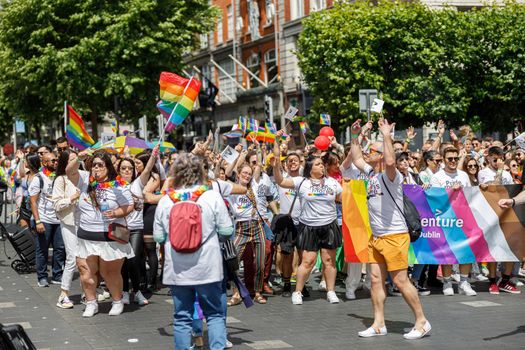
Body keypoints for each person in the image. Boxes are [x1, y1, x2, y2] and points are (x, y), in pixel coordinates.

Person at [351, 118, 430, 340]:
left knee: (400, 281)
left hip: (395, 236)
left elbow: (391, 161)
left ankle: (422, 321)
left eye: (373, 150)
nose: (369, 153)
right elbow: (356, 157)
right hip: (376, 237)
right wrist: (356, 134)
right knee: (375, 280)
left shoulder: (391, 176)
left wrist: (386, 135)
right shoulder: (371, 175)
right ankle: (378, 324)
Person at [154, 153, 233, 350]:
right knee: (214, 314)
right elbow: (227, 230)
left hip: (178, 269)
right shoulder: (211, 196)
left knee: (182, 317)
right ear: (200, 172)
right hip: (208, 267)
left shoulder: (166, 201)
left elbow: (158, 238)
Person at [274, 130, 343, 306]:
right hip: (309, 227)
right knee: (308, 261)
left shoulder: (332, 183)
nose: (322, 166)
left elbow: (344, 199)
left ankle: (331, 291)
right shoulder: (301, 182)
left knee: (329, 261)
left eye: (322, 164)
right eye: (318, 164)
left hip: (329, 226)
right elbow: (281, 181)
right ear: (310, 168)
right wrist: (275, 165)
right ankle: (297, 291)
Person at [68, 152, 135, 317]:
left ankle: (117, 300)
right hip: (86, 236)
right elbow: (69, 171)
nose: (96, 168)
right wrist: (78, 157)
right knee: (86, 273)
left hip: (109, 237)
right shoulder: (84, 180)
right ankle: (91, 303)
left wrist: (116, 213)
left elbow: (129, 205)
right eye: (94, 165)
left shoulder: (118, 185)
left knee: (109, 273)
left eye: (100, 165)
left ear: (108, 168)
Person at [430, 147, 477, 297]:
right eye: (450, 158)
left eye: (456, 159)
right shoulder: (437, 177)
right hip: (445, 219)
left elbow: (471, 196)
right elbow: (434, 198)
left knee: (465, 250)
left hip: (463, 218)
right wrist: (451, 190)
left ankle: (464, 282)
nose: (453, 161)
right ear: (443, 160)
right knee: (446, 252)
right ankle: (447, 282)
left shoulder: (463, 175)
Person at [478, 146, 521, 295]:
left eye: (500, 159)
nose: (497, 162)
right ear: (488, 157)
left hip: (507, 214)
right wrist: (501, 171)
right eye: (494, 159)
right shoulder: (483, 172)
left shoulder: (508, 174)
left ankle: (505, 280)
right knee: (493, 248)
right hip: (490, 215)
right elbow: (493, 188)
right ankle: (492, 280)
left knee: (511, 247)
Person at [29, 152, 66, 288]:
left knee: (60, 248)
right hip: (44, 219)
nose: (55, 162)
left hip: (59, 219)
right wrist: (38, 221)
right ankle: (42, 277)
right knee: (42, 249)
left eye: (56, 160)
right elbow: (33, 202)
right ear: (44, 163)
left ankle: (57, 275)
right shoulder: (38, 178)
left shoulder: (60, 177)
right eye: (52, 161)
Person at [52, 150, 81, 309]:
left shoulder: (84, 176)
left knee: (86, 257)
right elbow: (56, 205)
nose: (75, 163)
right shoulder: (60, 180)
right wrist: (72, 198)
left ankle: (87, 293)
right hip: (68, 222)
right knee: (72, 257)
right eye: (71, 160)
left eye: (77, 160)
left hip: (86, 222)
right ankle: (63, 294)